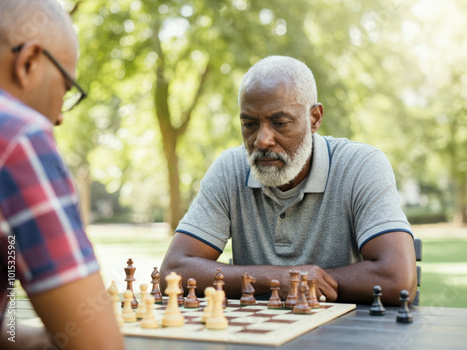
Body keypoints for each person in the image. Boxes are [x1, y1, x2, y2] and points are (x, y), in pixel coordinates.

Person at [161, 55, 417, 305]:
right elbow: (173, 271)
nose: (261, 140)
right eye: (249, 124)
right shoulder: (230, 169)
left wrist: (295, 283)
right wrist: (279, 278)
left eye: (279, 122)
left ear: (314, 118)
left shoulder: (361, 165)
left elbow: (397, 278)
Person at [0, 1, 123, 349]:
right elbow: (99, 347)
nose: (59, 118)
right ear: (28, 62)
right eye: (67, 89)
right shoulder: (20, 137)